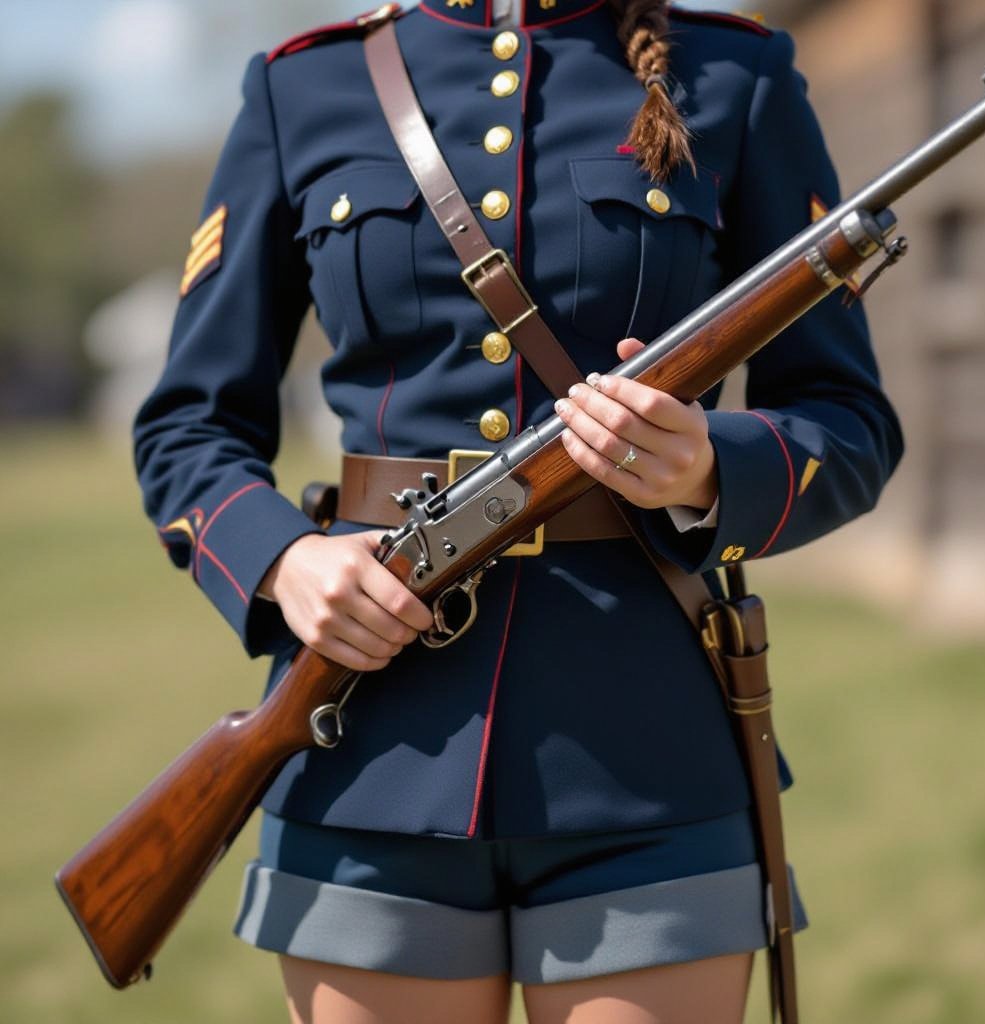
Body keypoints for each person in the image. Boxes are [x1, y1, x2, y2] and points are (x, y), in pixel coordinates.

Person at [134, 0, 903, 1020]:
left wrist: (708, 465)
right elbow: (189, 425)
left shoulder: (733, 71)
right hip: (367, 745)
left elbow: (847, 423)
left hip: (643, 752)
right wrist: (285, 563)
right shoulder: (303, 85)